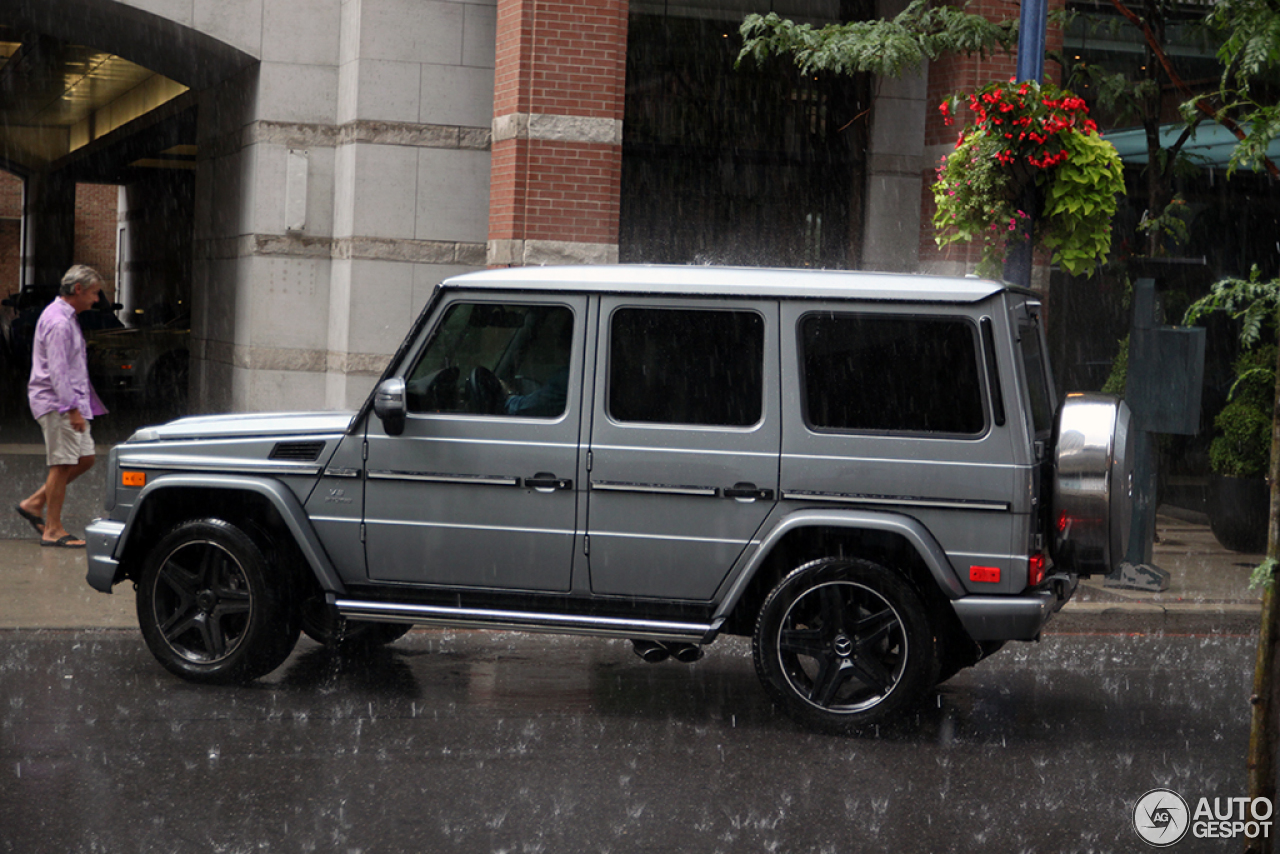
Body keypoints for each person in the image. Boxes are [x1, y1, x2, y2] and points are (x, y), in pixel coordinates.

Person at [15, 265, 108, 548]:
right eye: (94, 293)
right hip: (58, 404)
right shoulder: (59, 322)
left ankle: (34, 503)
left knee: (85, 458)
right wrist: (72, 409)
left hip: (68, 402)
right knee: (62, 463)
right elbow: (58, 371)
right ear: (77, 290)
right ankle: (52, 530)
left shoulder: (65, 318)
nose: (96, 300)